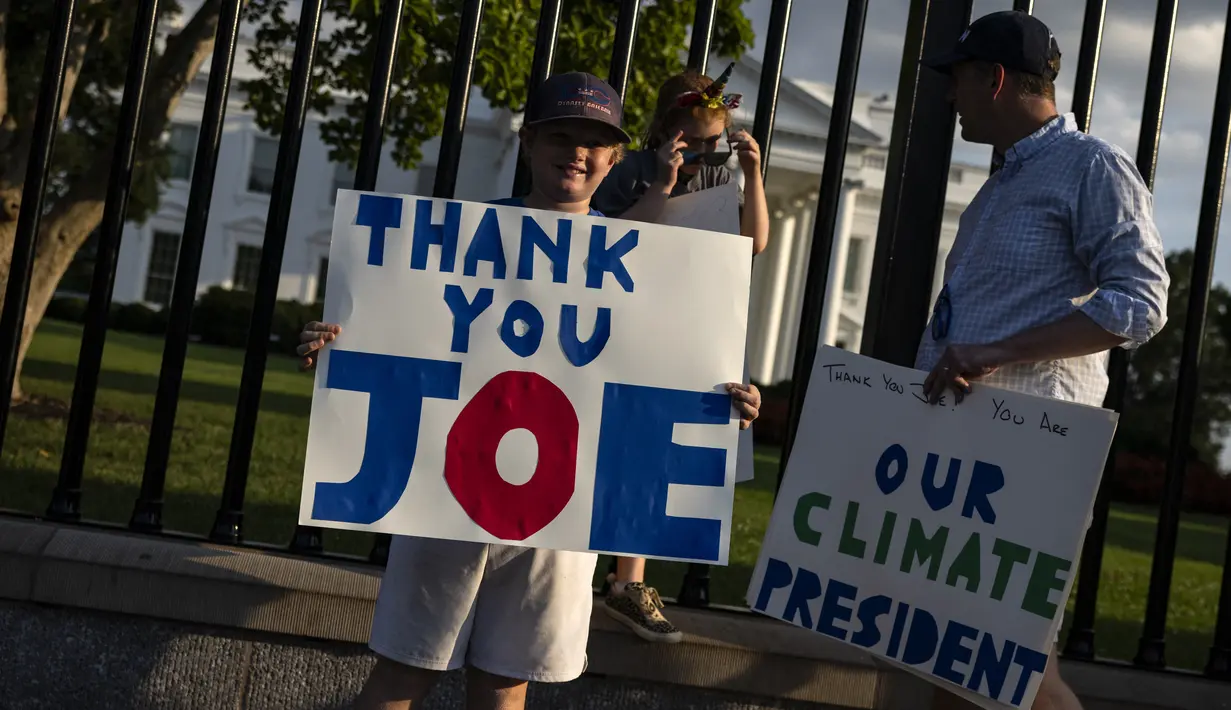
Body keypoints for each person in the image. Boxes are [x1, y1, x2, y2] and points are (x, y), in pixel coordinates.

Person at [296, 72, 763, 710]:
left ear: (617, 157)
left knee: (505, 684)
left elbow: (664, 368)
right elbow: (403, 330)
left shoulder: (645, 258)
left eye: (593, 142)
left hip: (564, 512)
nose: (576, 152)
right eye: (560, 136)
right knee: (405, 673)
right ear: (528, 143)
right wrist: (341, 346)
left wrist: (725, 403)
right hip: (446, 495)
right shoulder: (452, 239)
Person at [917, 11, 1169, 710]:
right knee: (954, 662)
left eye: (957, 81)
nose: (949, 97)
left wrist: (997, 352)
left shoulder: (1090, 166)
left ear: (993, 79)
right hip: (969, 454)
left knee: (1011, 668)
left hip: (1028, 453)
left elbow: (1141, 302)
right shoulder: (1003, 184)